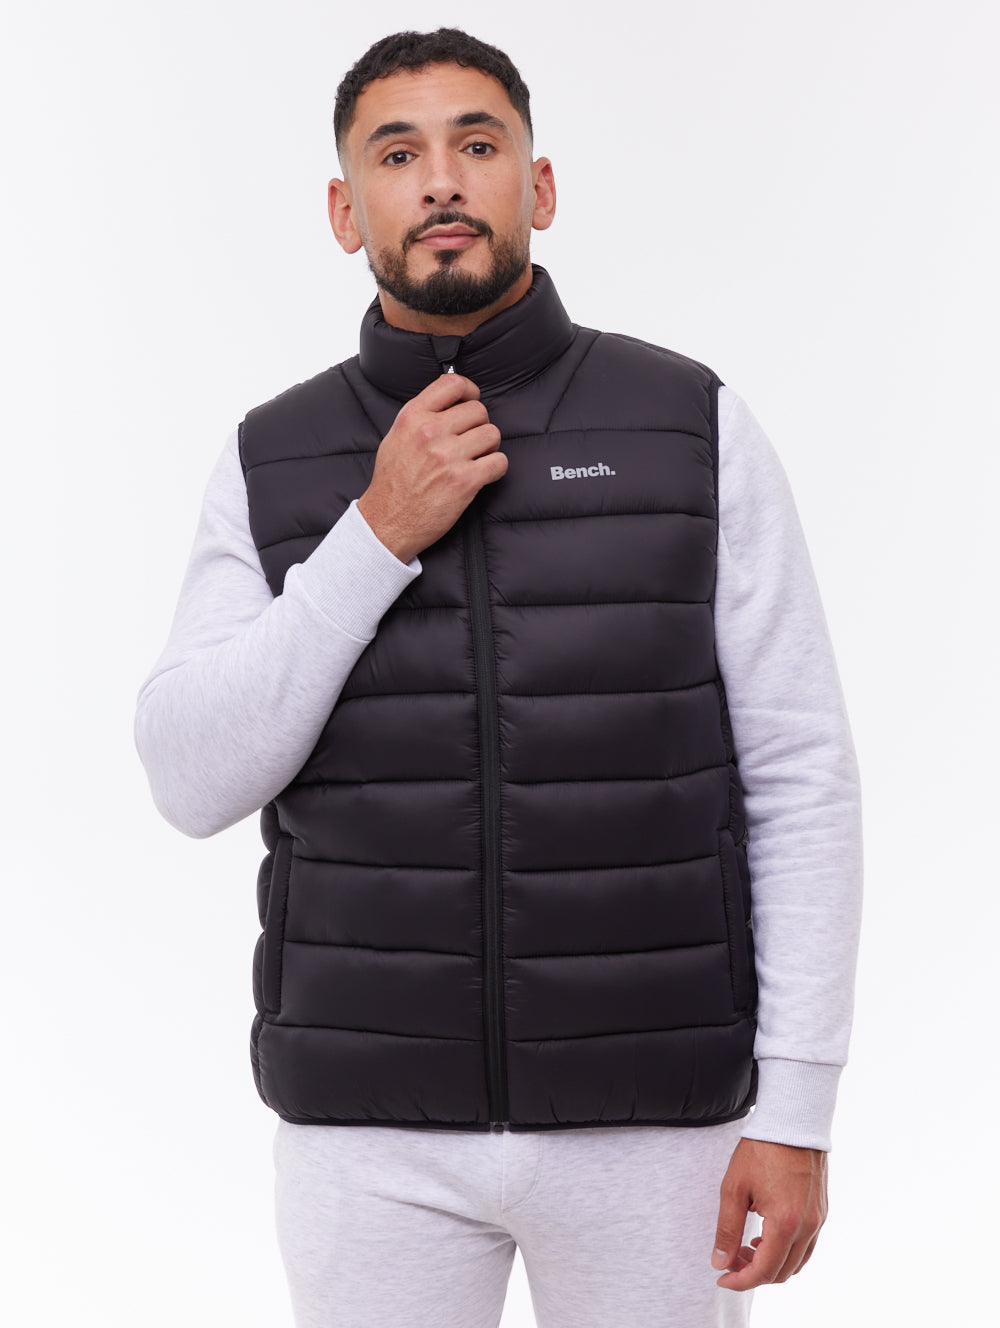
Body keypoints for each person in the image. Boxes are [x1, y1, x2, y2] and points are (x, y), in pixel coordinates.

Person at [135, 27, 862, 1328]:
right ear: (345, 211)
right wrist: (375, 532)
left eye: (478, 143)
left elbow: (801, 774)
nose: (442, 181)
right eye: (397, 154)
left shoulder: (688, 425)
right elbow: (190, 777)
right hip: (368, 1135)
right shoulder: (274, 458)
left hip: (656, 1123)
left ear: (541, 185)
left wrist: (797, 1107)